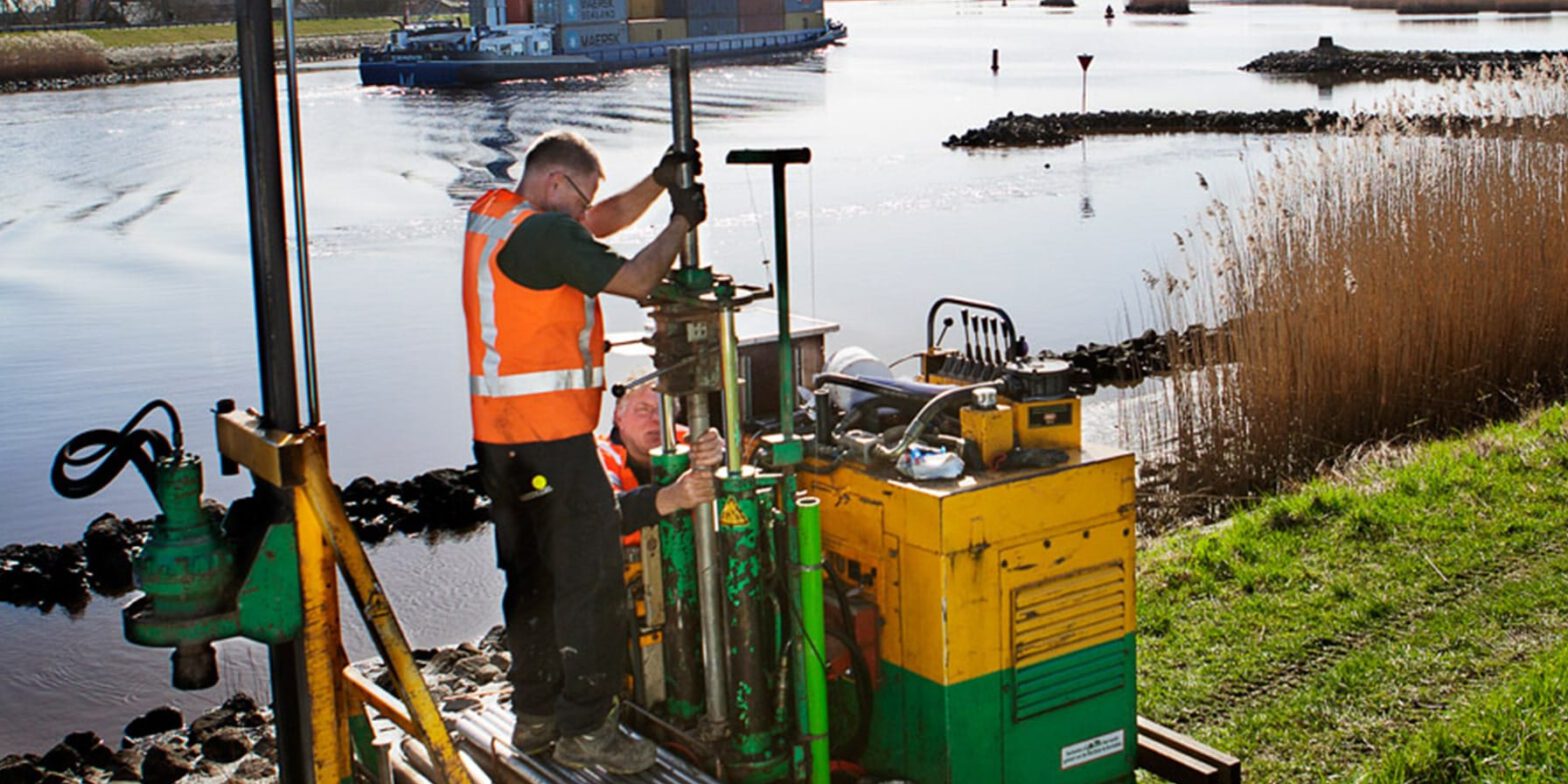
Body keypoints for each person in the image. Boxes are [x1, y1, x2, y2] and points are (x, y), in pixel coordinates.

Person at [462, 129, 707, 774]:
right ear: (553, 183)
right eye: (580, 198)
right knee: (591, 583)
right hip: (553, 445)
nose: (586, 215)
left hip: (500, 443)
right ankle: (588, 729)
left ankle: (536, 718)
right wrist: (682, 220)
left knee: (532, 582)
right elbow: (637, 278)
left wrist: (658, 180)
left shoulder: (496, 215)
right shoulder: (547, 234)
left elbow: (598, 220)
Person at [598, 380, 724, 534]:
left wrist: (719, 455)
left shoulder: (691, 440)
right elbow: (602, 512)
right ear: (618, 417)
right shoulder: (600, 455)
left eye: (664, 411)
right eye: (643, 410)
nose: (656, 419)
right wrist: (673, 496)